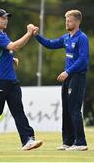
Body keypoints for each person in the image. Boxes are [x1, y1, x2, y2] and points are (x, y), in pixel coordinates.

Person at [0, 9, 43, 151]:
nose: (5, 20)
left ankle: (28, 140)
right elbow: (14, 46)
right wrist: (29, 33)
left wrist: (10, 59)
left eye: (6, 18)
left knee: (18, 110)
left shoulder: (2, 34)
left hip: (11, 80)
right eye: (2, 18)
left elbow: (0, 53)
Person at [33, 10, 89, 151]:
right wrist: (36, 36)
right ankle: (68, 142)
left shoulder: (82, 38)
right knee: (66, 109)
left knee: (75, 109)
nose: (66, 22)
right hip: (68, 77)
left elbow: (83, 60)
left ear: (77, 22)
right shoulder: (66, 38)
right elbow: (50, 44)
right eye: (66, 20)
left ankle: (81, 142)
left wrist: (68, 71)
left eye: (69, 20)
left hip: (77, 77)